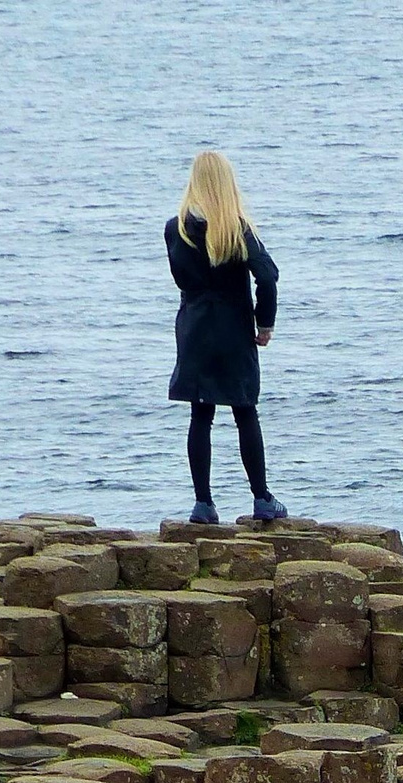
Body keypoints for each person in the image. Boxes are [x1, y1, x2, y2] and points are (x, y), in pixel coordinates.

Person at [165, 150, 287, 524]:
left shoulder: (176, 228)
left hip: (195, 327)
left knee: (200, 414)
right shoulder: (236, 227)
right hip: (234, 327)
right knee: (244, 410)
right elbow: (266, 276)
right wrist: (264, 323)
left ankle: (204, 504)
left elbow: (181, 278)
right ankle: (261, 498)